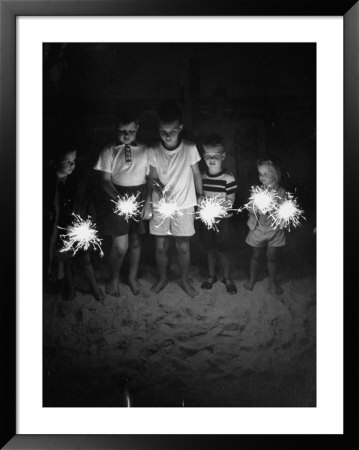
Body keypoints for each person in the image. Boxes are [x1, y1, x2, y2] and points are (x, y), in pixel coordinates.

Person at [147, 101, 203, 298]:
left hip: (185, 204)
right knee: (161, 245)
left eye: (171, 130)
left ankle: (184, 279)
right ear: (158, 128)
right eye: (163, 130)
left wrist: (201, 196)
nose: (167, 135)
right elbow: (152, 177)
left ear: (180, 128)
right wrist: (159, 190)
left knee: (182, 245)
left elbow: (196, 174)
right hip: (161, 206)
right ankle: (162, 278)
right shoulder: (153, 149)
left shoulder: (190, 148)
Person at [93, 109, 151, 297]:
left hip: (140, 196)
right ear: (115, 128)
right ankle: (114, 278)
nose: (126, 135)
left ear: (138, 128)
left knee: (135, 241)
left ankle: (132, 278)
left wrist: (148, 202)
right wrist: (118, 199)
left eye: (131, 131)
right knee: (120, 246)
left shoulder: (145, 150)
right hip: (117, 197)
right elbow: (105, 180)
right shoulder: (109, 150)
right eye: (122, 131)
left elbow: (151, 179)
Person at [44, 144, 105, 302]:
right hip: (58, 231)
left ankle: (93, 286)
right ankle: (68, 287)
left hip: (77, 228)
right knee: (66, 260)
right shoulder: (47, 184)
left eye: (74, 161)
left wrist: (85, 222)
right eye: (67, 161)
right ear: (54, 162)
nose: (72, 165)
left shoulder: (76, 183)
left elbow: (84, 204)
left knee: (85, 257)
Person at [199, 135, 238, 294]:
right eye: (208, 156)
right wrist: (201, 200)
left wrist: (212, 205)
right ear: (203, 157)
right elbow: (199, 197)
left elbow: (230, 202)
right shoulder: (201, 177)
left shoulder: (228, 178)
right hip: (207, 221)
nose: (212, 160)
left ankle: (227, 277)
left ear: (223, 156)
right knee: (210, 249)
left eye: (216, 156)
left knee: (224, 250)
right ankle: (211, 275)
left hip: (224, 221)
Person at [244, 159, 287, 295]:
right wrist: (256, 208)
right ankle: (252, 279)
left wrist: (274, 210)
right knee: (256, 255)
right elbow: (250, 208)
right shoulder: (256, 190)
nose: (261, 177)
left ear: (275, 175)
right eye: (260, 173)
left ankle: (273, 282)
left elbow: (286, 212)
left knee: (272, 257)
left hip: (275, 230)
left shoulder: (282, 192)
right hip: (258, 228)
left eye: (265, 174)